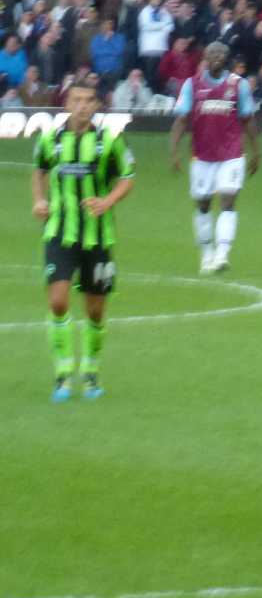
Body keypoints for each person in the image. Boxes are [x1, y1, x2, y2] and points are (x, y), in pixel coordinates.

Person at [31, 82, 136, 402]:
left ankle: (90, 371)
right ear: (67, 104)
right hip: (60, 233)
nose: (83, 106)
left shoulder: (110, 141)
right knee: (58, 301)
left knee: (94, 310)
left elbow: (127, 176)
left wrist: (108, 201)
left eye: (89, 100)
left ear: (96, 106)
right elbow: (39, 169)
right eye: (76, 100)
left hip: (98, 236)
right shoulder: (51, 138)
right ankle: (63, 372)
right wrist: (39, 200)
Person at [170, 41, 262, 274]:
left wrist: (256, 150)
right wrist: (174, 150)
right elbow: (181, 119)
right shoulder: (192, 85)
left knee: (228, 200)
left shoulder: (238, 85)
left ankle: (222, 254)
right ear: (205, 58)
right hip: (202, 156)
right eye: (212, 53)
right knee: (202, 204)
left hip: (232, 155)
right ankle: (206, 253)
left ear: (226, 58)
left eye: (221, 53)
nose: (217, 57)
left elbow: (248, 118)